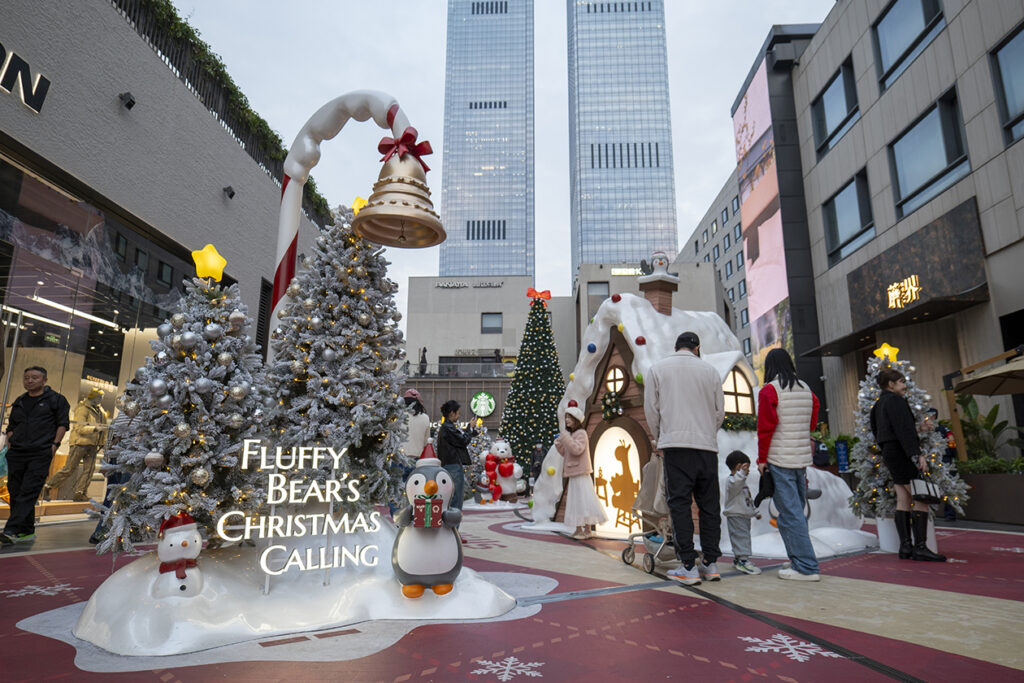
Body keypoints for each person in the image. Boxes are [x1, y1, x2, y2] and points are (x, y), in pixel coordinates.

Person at [644, 331, 725, 586]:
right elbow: (719, 412)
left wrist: (659, 437)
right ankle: (710, 563)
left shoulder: (658, 369)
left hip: (676, 446)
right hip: (706, 447)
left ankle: (688, 565)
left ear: (675, 346)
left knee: (679, 504)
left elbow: (652, 410)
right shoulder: (711, 371)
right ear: (697, 347)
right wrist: (707, 432)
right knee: (709, 506)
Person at [756, 348, 821, 581]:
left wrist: (761, 459)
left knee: (790, 513)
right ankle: (797, 559)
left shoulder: (769, 390)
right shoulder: (807, 389)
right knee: (793, 513)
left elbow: (765, 428)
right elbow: (812, 423)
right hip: (801, 459)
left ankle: (807, 567)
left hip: (779, 459)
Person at [871, 368, 946, 562]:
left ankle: (905, 547)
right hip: (902, 453)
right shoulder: (896, 400)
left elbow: (880, 429)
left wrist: (918, 428)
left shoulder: (878, 404)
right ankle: (920, 548)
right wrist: (917, 454)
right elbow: (904, 431)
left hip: (890, 453)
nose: (905, 386)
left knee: (903, 498)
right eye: (902, 382)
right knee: (920, 497)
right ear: (891, 384)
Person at [1, 367, 71, 544]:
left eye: (34, 377)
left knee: (29, 491)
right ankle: (26, 530)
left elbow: (62, 424)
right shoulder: (20, 400)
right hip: (17, 452)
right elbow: (12, 425)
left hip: (40, 452)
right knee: (15, 491)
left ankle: (11, 528)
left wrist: (55, 445)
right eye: (26, 378)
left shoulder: (56, 400)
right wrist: (10, 439)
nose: (29, 381)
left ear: (44, 380)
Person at [44, 388, 108, 501]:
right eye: (99, 397)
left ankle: (80, 493)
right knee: (69, 469)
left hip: (93, 444)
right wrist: (95, 429)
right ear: (93, 396)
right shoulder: (83, 409)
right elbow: (79, 428)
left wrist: (102, 442)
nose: (100, 399)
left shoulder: (101, 411)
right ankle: (48, 487)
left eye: (101, 397)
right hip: (79, 443)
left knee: (89, 470)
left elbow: (104, 428)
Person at [556, 406, 607, 539]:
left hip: (581, 473)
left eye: (569, 417)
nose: (567, 420)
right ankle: (579, 528)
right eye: (566, 417)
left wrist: (566, 438)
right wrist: (559, 444)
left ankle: (588, 529)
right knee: (575, 502)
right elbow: (566, 453)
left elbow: (577, 449)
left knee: (584, 501)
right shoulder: (572, 434)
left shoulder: (581, 433)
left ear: (576, 419)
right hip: (574, 472)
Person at [724, 451, 762, 575]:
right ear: (739, 466)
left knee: (743, 536)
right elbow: (736, 483)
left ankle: (738, 559)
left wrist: (755, 512)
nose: (748, 471)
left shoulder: (742, 484)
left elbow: (748, 499)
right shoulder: (731, 482)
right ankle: (743, 560)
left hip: (744, 515)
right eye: (747, 467)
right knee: (741, 537)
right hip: (736, 514)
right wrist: (742, 473)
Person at [435, 400, 474, 516]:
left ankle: (451, 529)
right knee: (455, 500)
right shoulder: (448, 428)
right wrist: (469, 428)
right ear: (452, 413)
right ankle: (453, 529)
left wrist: (469, 430)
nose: (459, 415)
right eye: (458, 413)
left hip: (448, 466)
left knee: (450, 499)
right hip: (453, 467)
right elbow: (463, 441)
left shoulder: (446, 428)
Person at [925, 407, 958, 522]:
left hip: (944, 460)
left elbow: (952, 444)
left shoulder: (943, 430)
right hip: (931, 461)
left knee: (947, 487)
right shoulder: (926, 430)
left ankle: (949, 514)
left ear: (934, 416)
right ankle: (931, 514)